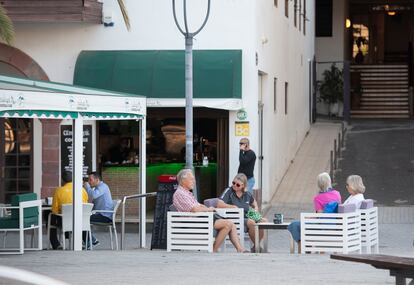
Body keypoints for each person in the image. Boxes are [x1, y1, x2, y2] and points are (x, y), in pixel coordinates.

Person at [172, 169, 246, 253]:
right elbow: (195, 209)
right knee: (228, 224)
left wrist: (209, 208)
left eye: (194, 179)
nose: (194, 181)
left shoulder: (186, 193)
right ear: (183, 180)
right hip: (194, 221)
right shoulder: (180, 193)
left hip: (200, 219)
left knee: (231, 224)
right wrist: (208, 209)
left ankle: (240, 249)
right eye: (191, 179)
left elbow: (198, 205)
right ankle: (214, 249)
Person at [287, 172, 341, 252]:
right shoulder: (337, 194)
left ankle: (302, 243)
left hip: (322, 228)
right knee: (302, 225)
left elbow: (319, 216)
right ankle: (305, 244)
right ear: (329, 182)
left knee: (294, 224)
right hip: (335, 226)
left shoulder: (318, 198)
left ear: (319, 184)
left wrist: (310, 218)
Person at [217, 173, 267, 252]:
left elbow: (254, 203)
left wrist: (256, 210)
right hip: (236, 218)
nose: (234, 185)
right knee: (251, 222)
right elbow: (219, 203)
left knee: (264, 221)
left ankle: (255, 246)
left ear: (243, 186)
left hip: (248, 214)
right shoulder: (229, 191)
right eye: (233, 183)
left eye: (237, 185)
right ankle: (258, 247)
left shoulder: (247, 193)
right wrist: (232, 207)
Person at [50, 171, 88, 250]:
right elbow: (85, 205)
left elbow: (55, 210)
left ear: (62, 181)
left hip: (64, 220)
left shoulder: (58, 191)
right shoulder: (82, 190)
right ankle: (81, 241)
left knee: (51, 218)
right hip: (80, 221)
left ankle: (56, 244)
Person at [83, 172, 114, 248]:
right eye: (88, 180)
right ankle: (89, 241)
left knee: (82, 219)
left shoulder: (103, 186)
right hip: (100, 214)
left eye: (90, 180)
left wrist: (87, 187)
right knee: (82, 218)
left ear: (97, 180)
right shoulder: (98, 188)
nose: (89, 182)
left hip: (105, 216)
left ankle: (92, 241)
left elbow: (93, 195)